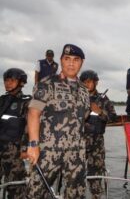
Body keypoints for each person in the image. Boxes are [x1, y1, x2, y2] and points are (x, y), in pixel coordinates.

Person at [26, 44, 90, 199]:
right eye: (67, 59)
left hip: (76, 153)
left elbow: (84, 116)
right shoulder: (47, 83)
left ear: (81, 62)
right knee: (36, 192)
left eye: (76, 60)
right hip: (49, 151)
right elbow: (33, 113)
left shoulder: (84, 89)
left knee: (76, 193)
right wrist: (33, 145)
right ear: (61, 60)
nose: (71, 63)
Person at [80, 70, 116, 199]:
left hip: (97, 144)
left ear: (96, 82)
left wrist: (100, 112)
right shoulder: (77, 98)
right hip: (78, 143)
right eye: (84, 82)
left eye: (89, 82)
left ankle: (96, 196)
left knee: (96, 175)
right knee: (75, 175)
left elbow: (113, 117)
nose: (87, 84)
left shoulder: (104, 100)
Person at [0, 68, 31, 199]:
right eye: (6, 80)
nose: (8, 83)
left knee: (16, 189)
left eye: (12, 80)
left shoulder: (27, 101)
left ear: (21, 83)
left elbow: (29, 127)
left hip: (14, 152)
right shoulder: (2, 100)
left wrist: (24, 149)